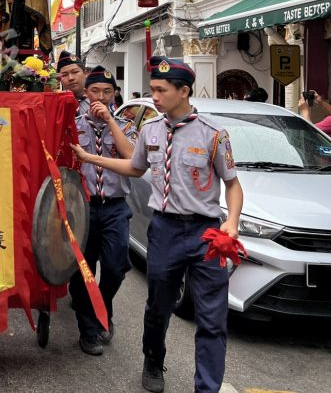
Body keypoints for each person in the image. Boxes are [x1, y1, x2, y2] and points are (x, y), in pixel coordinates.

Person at [72, 56, 243, 393]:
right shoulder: (150, 130)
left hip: (205, 233)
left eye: (161, 90)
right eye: (152, 90)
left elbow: (233, 184)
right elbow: (135, 168)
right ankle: (153, 359)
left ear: (184, 91)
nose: (155, 97)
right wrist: (91, 158)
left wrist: (232, 223)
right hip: (164, 231)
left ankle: (206, 387)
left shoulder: (213, 135)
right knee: (159, 306)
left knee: (212, 317)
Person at [70, 66, 137, 357]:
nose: (100, 96)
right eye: (95, 91)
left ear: (114, 95)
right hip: (83, 208)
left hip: (115, 207)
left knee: (115, 266)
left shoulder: (126, 124)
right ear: (86, 93)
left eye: (107, 92)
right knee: (83, 270)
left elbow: (133, 159)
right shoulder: (71, 123)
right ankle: (89, 330)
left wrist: (111, 121)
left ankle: (103, 305)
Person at [57, 51, 89, 116]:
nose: (70, 78)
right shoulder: (57, 105)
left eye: (75, 72)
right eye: (65, 75)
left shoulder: (100, 100)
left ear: (85, 73)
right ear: (59, 79)